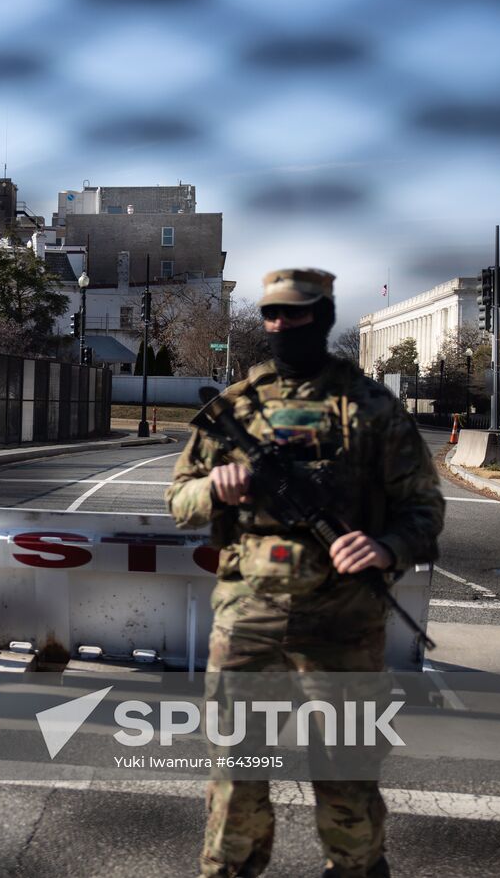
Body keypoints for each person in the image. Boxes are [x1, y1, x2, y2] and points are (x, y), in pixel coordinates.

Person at [165, 268, 444, 878]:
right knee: (236, 775)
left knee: (346, 776)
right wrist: (214, 488)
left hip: (343, 621)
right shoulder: (235, 407)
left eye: (295, 314)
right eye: (271, 314)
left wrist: (385, 547)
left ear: (322, 316)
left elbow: (425, 510)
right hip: (249, 616)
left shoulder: (371, 409)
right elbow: (178, 504)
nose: (280, 325)